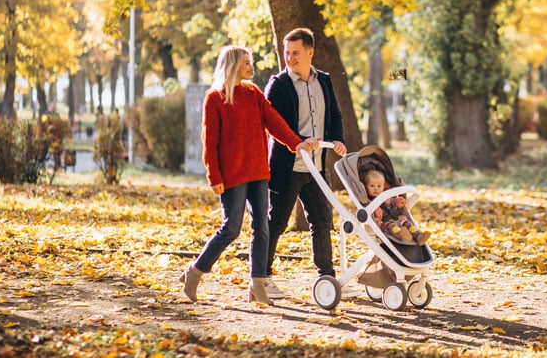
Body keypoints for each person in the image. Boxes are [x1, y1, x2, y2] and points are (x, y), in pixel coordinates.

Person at [179, 45, 318, 306]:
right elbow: (210, 142)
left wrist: (296, 142)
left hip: (257, 172)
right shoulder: (215, 99)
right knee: (230, 228)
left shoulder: (253, 93)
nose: (251, 68)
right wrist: (214, 176)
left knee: (262, 228)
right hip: (231, 176)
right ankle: (194, 273)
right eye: (246, 63)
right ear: (232, 65)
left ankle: (257, 285)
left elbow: (274, 121)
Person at [264, 27, 347, 298]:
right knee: (276, 222)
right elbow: (275, 125)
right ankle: (262, 278)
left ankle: (327, 279)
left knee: (322, 220)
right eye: (287, 53)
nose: (290, 58)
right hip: (288, 166)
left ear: (310, 52)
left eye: (296, 53)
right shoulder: (279, 85)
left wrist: (337, 140)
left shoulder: (323, 80)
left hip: (318, 166)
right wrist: (299, 140)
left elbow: (334, 115)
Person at [363, 168, 431, 245]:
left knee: (407, 223)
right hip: (385, 223)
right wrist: (374, 208)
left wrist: (398, 201)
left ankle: (419, 236)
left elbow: (393, 200)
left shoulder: (386, 196)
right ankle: (400, 235)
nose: (376, 188)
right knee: (392, 227)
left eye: (379, 186)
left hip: (398, 218)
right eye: (372, 186)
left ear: (383, 186)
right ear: (366, 186)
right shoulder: (368, 200)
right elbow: (367, 207)